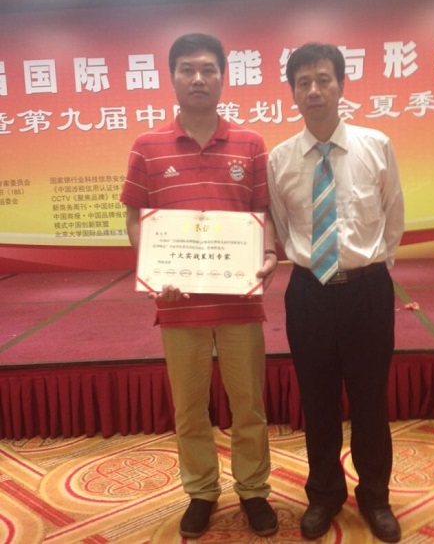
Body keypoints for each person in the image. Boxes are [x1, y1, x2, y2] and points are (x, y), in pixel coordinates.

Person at [120, 33, 278, 539]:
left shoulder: (251, 144)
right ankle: (202, 491)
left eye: (208, 69)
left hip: (239, 301)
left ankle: (253, 489)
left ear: (223, 77)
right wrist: (152, 268)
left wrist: (269, 253)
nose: (198, 78)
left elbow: (261, 212)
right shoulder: (147, 146)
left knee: (248, 405)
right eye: (187, 69)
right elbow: (134, 217)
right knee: (189, 408)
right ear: (172, 77)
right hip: (179, 303)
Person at [268, 42, 405, 542]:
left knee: (370, 400)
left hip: (367, 292)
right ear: (292, 92)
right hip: (309, 294)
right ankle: (324, 495)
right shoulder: (280, 160)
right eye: (303, 82)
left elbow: (394, 217)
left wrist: (370, 269)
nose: (314, 90)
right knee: (318, 401)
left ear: (341, 85)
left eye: (323, 79)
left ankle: (375, 496)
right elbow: (282, 228)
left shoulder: (376, 145)